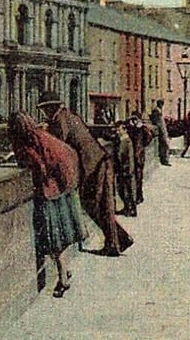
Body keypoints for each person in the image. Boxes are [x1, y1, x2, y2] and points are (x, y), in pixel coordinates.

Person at [38, 90, 133, 256]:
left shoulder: (60, 120)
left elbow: (58, 143)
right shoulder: (70, 116)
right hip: (99, 161)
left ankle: (114, 243)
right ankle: (120, 239)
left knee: (95, 205)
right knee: (101, 205)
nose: (44, 113)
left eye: (44, 110)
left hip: (94, 166)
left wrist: (43, 132)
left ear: (51, 108)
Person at [7, 112, 85, 298]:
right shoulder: (41, 135)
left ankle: (62, 279)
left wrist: (17, 156)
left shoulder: (27, 144)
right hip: (61, 190)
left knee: (53, 240)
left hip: (48, 194)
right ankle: (64, 270)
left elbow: (35, 163)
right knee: (59, 237)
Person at [126, 112, 154, 205]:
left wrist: (142, 146)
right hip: (133, 155)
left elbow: (150, 137)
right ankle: (135, 196)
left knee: (138, 177)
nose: (134, 121)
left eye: (135, 119)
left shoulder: (143, 129)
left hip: (139, 156)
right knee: (133, 177)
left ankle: (139, 196)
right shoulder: (131, 128)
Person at [111, 121, 137, 217]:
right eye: (117, 130)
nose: (118, 132)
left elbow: (129, 158)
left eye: (119, 130)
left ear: (125, 130)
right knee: (122, 190)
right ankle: (127, 208)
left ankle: (132, 209)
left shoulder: (127, 141)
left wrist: (128, 171)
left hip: (126, 170)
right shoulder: (120, 140)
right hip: (121, 169)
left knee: (128, 190)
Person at [149, 100, 171, 166]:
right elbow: (156, 121)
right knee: (165, 145)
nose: (162, 106)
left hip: (163, 130)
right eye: (162, 105)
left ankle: (164, 160)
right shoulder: (156, 111)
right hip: (161, 130)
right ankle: (164, 160)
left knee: (164, 145)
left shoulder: (158, 110)